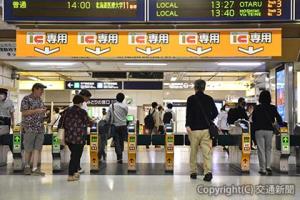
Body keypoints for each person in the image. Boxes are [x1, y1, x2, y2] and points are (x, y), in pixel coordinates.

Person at [186, 79, 218, 181]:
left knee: (193, 151)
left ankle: (193, 172)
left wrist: (187, 125)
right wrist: (210, 119)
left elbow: (188, 114)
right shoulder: (209, 99)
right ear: (204, 88)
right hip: (206, 129)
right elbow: (216, 113)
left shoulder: (190, 99)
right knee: (206, 152)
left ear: (195, 87)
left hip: (194, 129)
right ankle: (208, 172)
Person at [59, 95, 89, 181]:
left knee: (75, 155)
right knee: (75, 156)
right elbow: (87, 122)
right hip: (79, 138)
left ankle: (75, 172)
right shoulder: (82, 112)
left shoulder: (66, 111)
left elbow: (61, 123)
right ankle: (70, 175)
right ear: (80, 103)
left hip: (68, 138)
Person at [252, 90, 283, 176]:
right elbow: (279, 118)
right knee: (268, 149)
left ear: (260, 98)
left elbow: (253, 120)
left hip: (259, 131)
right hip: (269, 131)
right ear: (269, 98)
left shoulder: (257, 108)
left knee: (261, 150)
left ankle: (262, 169)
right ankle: (268, 166)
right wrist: (281, 124)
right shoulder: (273, 107)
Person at [21, 83, 47, 176]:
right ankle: (27, 167)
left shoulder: (40, 100)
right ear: (35, 89)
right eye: (41, 90)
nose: (42, 92)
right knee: (28, 148)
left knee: (37, 148)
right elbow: (24, 112)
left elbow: (40, 111)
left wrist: (43, 112)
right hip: (29, 127)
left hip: (40, 127)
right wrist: (37, 110)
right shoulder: (26, 99)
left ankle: (35, 168)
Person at [106, 93, 128, 164]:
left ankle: (119, 157)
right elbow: (126, 114)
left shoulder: (112, 105)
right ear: (123, 98)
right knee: (121, 141)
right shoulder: (125, 106)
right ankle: (120, 153)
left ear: (116, 98)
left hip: (115, 126)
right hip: (123, 126)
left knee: (117, 141)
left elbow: (107, 117)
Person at [0, 88, 15, 152]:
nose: (1, 96)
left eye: (2, 94)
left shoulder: (9, 102)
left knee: (6, 136)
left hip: (6, 120)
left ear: (5, 95)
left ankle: (6, 148)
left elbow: (12, 113)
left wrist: (13, 122)